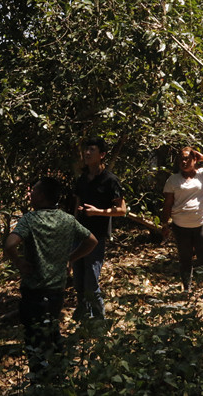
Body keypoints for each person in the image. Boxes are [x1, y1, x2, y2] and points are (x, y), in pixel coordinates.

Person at [4, 177, 98, 376]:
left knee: (35, 343)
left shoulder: (30, 220)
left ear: (42, 196)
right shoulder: (67, 219)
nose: (31, 194)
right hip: (57, 291)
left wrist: (19, 262)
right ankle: (61, 379)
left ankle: (40, 382)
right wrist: (70, 258)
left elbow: (10, 244)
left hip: (34, 293)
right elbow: (92, 241)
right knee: (52, 333)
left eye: (34, 191)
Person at [161, 146, 203, 305]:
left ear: (194, 159)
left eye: (187, 158)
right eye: (181, 159)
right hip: (180, 225)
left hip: (201, 223)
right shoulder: (173, 180)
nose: (183, 162)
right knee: (185, 258)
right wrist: (165, 224)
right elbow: (168, 204)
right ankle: (186, 290)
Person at [72, 136, 127, 319]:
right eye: (86, 150)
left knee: (91, 279)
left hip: (96, 237)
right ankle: (84, 319)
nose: (87, 153)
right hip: (78, 235)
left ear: (102, 155)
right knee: (78, 280)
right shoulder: (82, 179)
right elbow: (77, 204)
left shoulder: (110, 180)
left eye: (92, 150)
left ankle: (99, 321)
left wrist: (98, 212)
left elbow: (121, 210)